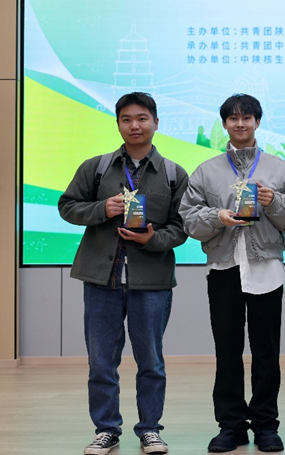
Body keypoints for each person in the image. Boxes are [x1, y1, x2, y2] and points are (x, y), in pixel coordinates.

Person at [58, 92, 189, 455]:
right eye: (127, 119)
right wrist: (104, 208)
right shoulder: (96, 167)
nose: (135, 125)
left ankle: (150, 430)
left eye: (142, 118)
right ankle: (106, 429)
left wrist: (152, 239)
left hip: (152, 281)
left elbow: (182, 227)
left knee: (151, 362)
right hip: (102, 279)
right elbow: (67, 207)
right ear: (118, 124)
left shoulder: (174, 173)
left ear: (156, 123)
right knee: (101, 363)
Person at [179, 94, 285, 453]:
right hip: (223, 268)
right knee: (227, 351)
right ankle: (231, 426)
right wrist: (217, 217)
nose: (240, 124)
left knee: (267, 353)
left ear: (257, 122)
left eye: (247, 117)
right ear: (224, 124)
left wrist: (273, 201)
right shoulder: (206, 171)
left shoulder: (281, 170)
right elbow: (189, 219)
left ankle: (265, 425)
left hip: (267, 269)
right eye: (233, 118)